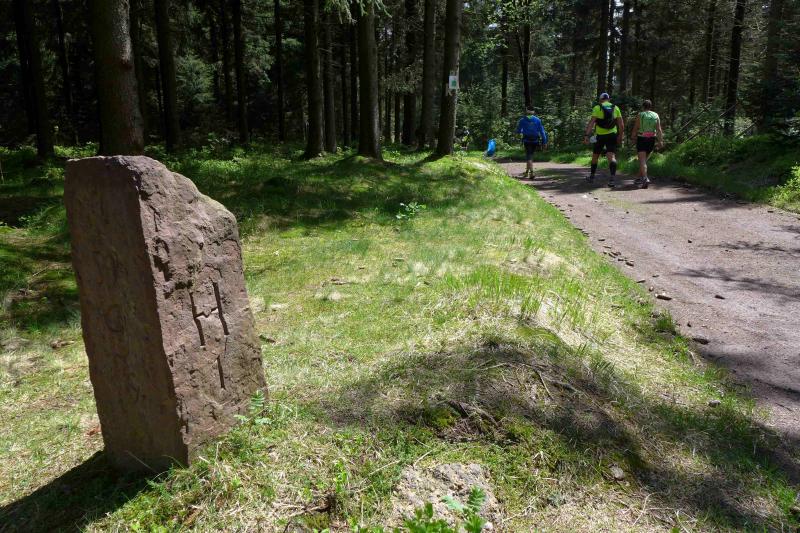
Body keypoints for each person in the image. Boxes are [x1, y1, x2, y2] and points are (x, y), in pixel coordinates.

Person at [583, 93, 624, 187]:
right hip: (612, 135)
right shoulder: (615, 108)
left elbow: (591, 123)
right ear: (608, 99)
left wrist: (586, 135)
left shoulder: (597, 108)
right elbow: (621, 124)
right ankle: (612, 179)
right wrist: (620, 136)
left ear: (600, 99)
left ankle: (592, 177)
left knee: (595, 156)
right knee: (611, 156)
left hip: (600, 136)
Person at [630, 99, 664, 188]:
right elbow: (659, 129)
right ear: (650, 106)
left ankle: (645, 178)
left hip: (642, 138)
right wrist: (660, 141)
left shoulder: (640, 115)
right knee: (644, 161)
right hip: (651, 139)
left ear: (643, 106)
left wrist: (633, 138)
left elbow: (635, 128)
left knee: (642, 161)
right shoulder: (656, 115)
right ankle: (638, 178)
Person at [515, 108, 548, 178]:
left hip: (526, 140)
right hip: (535, 141)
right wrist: (544, 142)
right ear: (533, 112)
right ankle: (527, 172)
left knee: (529, 156)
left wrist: (522, 131)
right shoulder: (537, 120)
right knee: (530, 156)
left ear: (526, 112)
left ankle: (531, 173)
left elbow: (518, 131)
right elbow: (542, 131)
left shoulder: (522, 120)